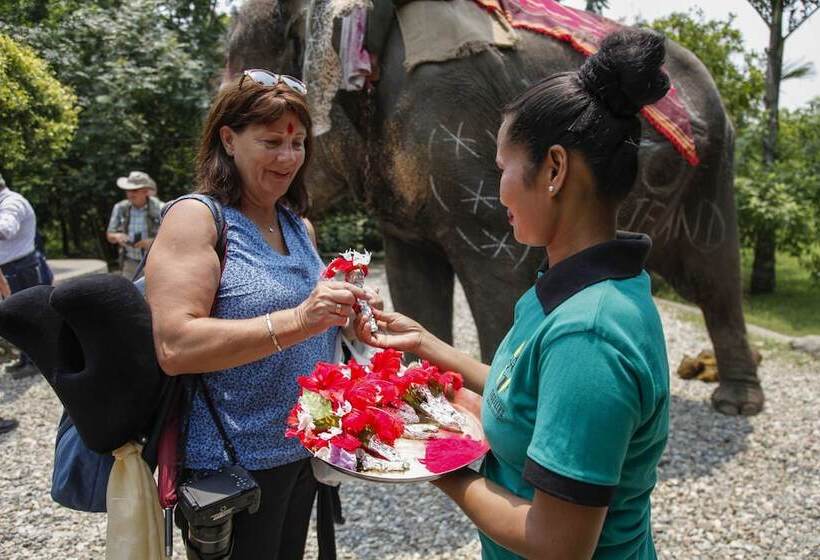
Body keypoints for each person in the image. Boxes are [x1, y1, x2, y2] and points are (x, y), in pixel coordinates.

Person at [357, 29, 671, 559]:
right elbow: (526, 394)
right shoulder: (574, 289)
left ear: (554, 169)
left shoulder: (588, 336)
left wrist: (432, 460)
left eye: (503, 167)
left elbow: (557, 543)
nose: (498, 186)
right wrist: (428, 346)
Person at [145, 69, 376, 559]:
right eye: (271, 142)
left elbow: (311, 324)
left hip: (303, 448)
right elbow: (175, 346)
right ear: (228, 140)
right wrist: (301, 319)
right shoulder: (196, 219)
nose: (288, 157)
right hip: (232, 463)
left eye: (298, 143)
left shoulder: (298, 225)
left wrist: (348, 317)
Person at [0, 172, 52, 380]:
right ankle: (26, 358)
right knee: (17, 317)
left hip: (20, 268)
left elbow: (6, 229)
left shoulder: (12, 203)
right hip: (13, 268)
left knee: (27, 316)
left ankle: (36, 362)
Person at [106, 170, 163, 279]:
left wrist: (152, 243)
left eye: (134, 190)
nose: (130, 194)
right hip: (129, 262)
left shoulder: (160, 208)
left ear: (146, 191)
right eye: (128, 190)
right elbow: (110, 235)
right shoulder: (120, 208)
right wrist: (117, 237)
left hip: (155, 261)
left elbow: (172, 239)